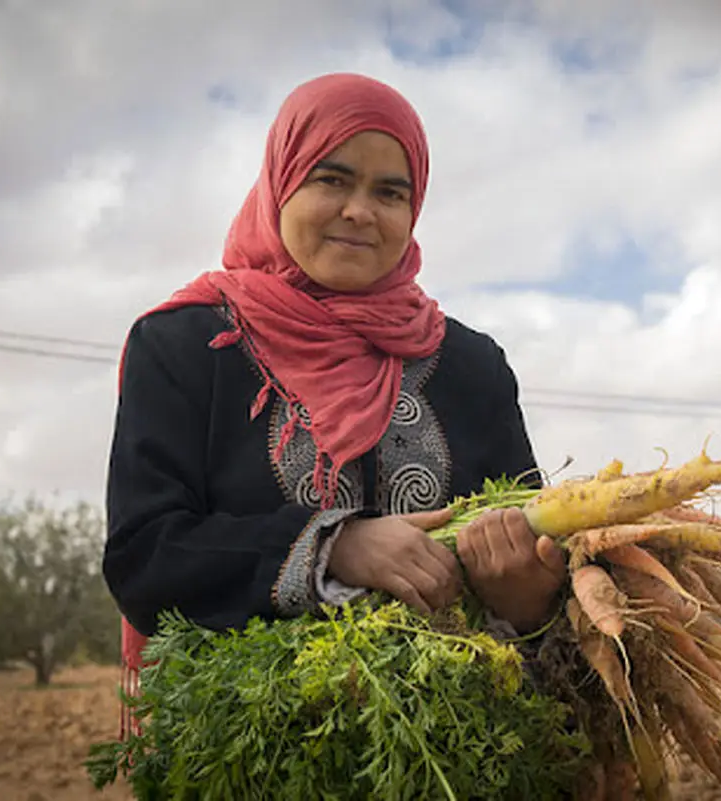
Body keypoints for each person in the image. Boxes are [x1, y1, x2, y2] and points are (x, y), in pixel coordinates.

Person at [101, 73, 571, 727]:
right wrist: (334, 548)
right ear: (281, 181)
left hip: (457, 747)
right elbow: (145, 556)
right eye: (331, 179)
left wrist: (528, 595)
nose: (360, 210)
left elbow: (532, 547)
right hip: (250, 753)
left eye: (390, 192)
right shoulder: (184, 344)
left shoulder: (472, 366)